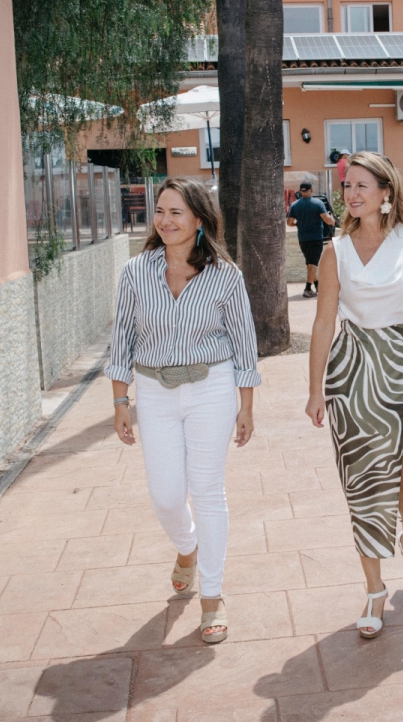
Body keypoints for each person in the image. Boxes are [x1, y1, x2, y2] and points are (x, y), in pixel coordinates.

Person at [305, 151, 403, 639]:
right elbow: (324, 321)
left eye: (362, 185)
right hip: (354, 375)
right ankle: (374, 589)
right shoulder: (335, 250)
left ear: (387, 192)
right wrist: (315, 390)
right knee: (366, 485)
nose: (352, 193)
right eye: (347, 185)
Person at [107, 177, 260, 645]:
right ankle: (187, 550)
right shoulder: (135, 273)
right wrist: (120, 401)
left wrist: (245, 405)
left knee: (208, 489)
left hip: (211, 386)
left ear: (198, 218)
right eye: (160, 211)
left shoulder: (225, 276)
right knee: (167, 495)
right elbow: (121, 341)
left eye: (176, 212)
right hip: (154, 391)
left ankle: (212, 595)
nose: (165, 221)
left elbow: (243, 343)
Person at [287, 181, 336, 298]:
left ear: (300, 191)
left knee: (310, 263)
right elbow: (327, 220)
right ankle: (308, 288)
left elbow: (289, 222)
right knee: (313, 263)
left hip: (303, 238)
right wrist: (333, 220)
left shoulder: (295, 205)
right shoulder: (318, 203)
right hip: (315, 237)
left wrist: (298, 224)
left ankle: (317, 285)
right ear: (311, 190)